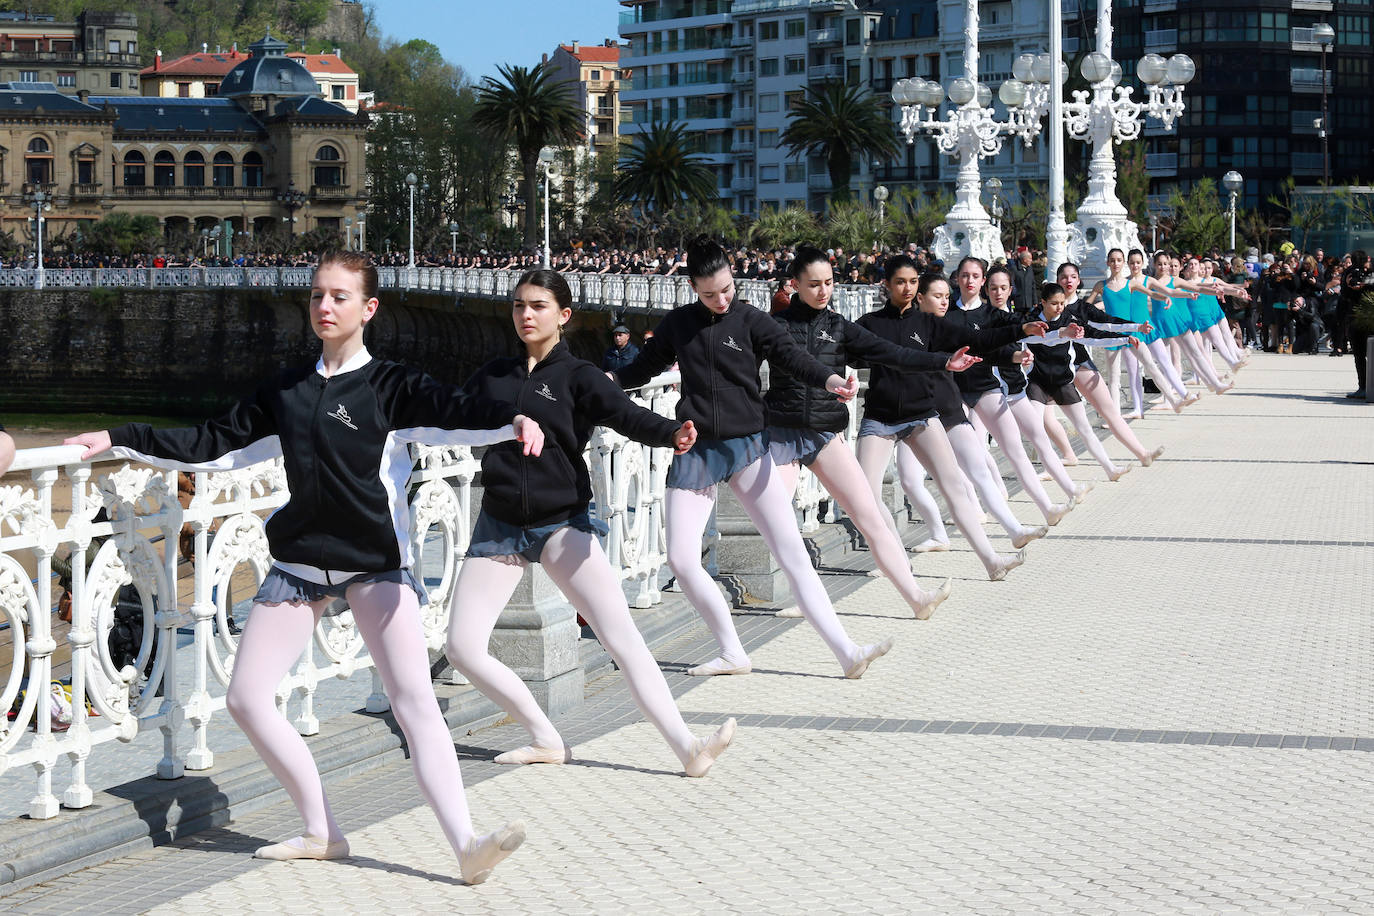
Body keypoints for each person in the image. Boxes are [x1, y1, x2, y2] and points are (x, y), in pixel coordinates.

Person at [64, 251, 538, 885]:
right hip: (296, 565)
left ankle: (466, 843)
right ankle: (322, 830)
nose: (324, 306)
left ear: (368, 309)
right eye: (318, 295)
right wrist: (119, 438)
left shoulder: (391, 386)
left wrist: (512, 422)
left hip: (374, 566)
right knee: (246, 698)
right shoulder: (286, 390)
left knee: (414, 703)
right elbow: (211, 443)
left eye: (340, 297)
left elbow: (458, 412)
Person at [445, 268, 736, 775]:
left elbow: (625, 414)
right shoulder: (492, 374)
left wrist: (673, 433)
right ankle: (543, 736)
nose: (526, 315)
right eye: (519, 306)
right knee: (462, 646)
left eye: (537, 306)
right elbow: (449, 411)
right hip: (499, 523)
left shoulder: (577, 375)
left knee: (619, 636)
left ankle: (688, 747)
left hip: (562, 524)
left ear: (564, 315)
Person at [612, 237, 893, 680]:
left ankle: (847, 651)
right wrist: (599, 380)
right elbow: (641, 368)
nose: (722, 300)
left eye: (727, 289)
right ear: (692, 287)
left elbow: (793, 358)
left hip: (748, 448)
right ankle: (731, 652)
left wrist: (830, 380)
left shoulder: (752, 319)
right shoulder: (678, 324)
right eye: (709, 294)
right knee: (682, 561)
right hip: (696, 449)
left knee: (792, 554)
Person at [765, 245, 971, 619]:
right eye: (813, 284)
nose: (823, 291)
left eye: (829, 282)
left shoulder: (840, 327)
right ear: (794, 284)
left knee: (870, 516)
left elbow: (894, 354)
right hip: (781, 435)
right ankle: (809, 601)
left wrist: (944, 361)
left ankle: (916, 597)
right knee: (778, 522)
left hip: (826, 435)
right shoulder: (775, 326)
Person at [854, 260, 1048, 580]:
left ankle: (992, 560)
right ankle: (896, 560)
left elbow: (980, 341)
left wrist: (1021, 330)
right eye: (900, 282)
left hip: (922, 415)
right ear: (886, 284)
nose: (907, 287)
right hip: (880, 418)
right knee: (867, 495)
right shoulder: (869, 323)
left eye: (913, 281)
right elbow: (838, 351)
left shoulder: (930, 325)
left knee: (956, 487)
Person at [1024, 282, 1139, 482]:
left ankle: (1110, 468)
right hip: (1038, 382)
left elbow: (1094, 337)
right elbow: (1031, 339)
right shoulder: (1032, 320)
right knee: (1035, 428)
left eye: (1062, 303)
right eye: (1053, 303)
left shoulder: (1069, 319)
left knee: (1084, 428)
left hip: (1062, 381)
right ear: (1042, 302)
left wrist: (1124, 338)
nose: (1059, 307)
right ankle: (1049, 469)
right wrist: (1059, 334)